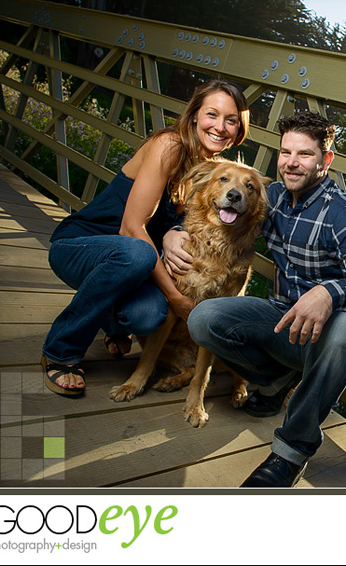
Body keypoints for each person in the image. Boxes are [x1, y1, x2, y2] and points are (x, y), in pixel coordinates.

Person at [178, 111, 346, 487]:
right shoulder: (270, 197)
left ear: (325, 160)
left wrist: (329, 292)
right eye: (285, 152)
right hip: (284, 321)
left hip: (330, 336)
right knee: (204, 319)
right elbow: (212, 211)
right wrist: (170, 234)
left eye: (305, 154)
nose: (292, 163)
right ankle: (274, 382)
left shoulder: (344, 213)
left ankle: (290, 454)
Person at [40, 79, 249, 397]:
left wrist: (173, 233)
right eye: (212, 114)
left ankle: (113, 322)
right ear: (194, 115)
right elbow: (131, 229)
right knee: (138, 255)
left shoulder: (215, 171)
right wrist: (177, 299)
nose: (220, 127)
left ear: (239, 127)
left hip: (128, 264)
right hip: (81, 246)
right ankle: (60, 350)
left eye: (231, 120)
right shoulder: (170, 145)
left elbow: (184, 224)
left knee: (149, 316)